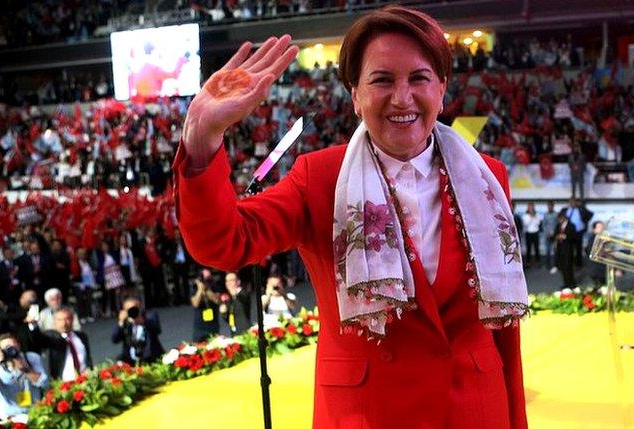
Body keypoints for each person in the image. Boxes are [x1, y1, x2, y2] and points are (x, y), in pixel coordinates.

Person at [173, 6, 528, 428]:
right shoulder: (320, 177)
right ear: (355, 95)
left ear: (442, 89)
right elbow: (225, 242)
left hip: (475, 412)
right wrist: (202, 140)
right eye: (381, 80)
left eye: (419, 78)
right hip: (368, 414)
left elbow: (504, 329)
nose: (402, 98)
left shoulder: (489, 177)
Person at [0, 333, 49, 420]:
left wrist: (27, 370)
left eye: (13, 346)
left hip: (34, 412)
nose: (11, 350)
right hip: (9, 416)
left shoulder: (32, 358)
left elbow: (45, 383)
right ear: (0, 350)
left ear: (19, 345)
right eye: (7, 348)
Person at [33, 308, 91, 381]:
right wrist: (34, 326)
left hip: (85, 379)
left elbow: (88, 358)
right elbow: (40, 340)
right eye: (60, 320)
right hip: (64, 384)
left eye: (67, 319)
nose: (64, 323)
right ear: (54, 322)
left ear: (72, 320)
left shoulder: (81, 336)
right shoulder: (52, 337)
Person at [111, 297, 163, 364]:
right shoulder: (125, 322)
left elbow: (157, 330)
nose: (133, 312)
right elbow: (114, 339)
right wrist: (120, 322)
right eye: (129, 310)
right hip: (131, 361)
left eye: (135, 309)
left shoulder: (150, 316)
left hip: (151, 358)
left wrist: (143, 321)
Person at [190, 269, 221, 342]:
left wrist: (206, 290)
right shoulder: (195, 289)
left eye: (209, 278)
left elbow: (217, 300)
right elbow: (195, 303)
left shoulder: (215, 287)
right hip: (199, 328)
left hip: (213, 326)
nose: (207, 281)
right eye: (205, 279)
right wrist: (200, 290)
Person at [552, 211, 578, 288]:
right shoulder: (558, 226)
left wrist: (565, 237)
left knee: (568, 266)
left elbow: (574, 237)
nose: (559, 220)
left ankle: (572, 283)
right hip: (560, 249)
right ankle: (566, 283)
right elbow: (555, 235)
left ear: (564, 218)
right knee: (563, 267)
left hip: (568, 249)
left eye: (560, 219)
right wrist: (557, 236)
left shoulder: (571, 226)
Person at [520, 203, 543, 268]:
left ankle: (538, 262)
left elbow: (538, 223)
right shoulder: (525, 216)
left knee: (536, 248)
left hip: (535, 232)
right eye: (530, 208)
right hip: (528, 233)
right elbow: (526, 224)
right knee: (529, 248)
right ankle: (528, 262)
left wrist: (535, 217)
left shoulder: (537, 215)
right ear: (528, 208)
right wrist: (531, 217)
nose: (531, 209)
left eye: (532, 208)